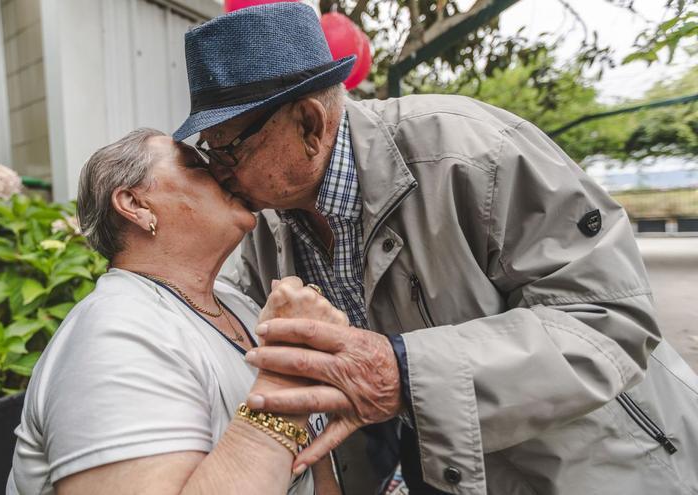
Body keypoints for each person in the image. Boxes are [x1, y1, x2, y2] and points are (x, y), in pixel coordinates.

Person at [172, 3, 698, 495]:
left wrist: (401, 373)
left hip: (595, 465)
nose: (217, 170)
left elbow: (610, 321)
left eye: (228, 147)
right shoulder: (267, 218)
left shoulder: (472, 153)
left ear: (309, 125)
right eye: (208, 150)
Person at [6, 128, 344, 495]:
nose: (223, 171)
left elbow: (310, 468)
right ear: (136, 205)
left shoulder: (233, 303)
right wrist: (287, 377)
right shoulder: (115, 337)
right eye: (195, 164)